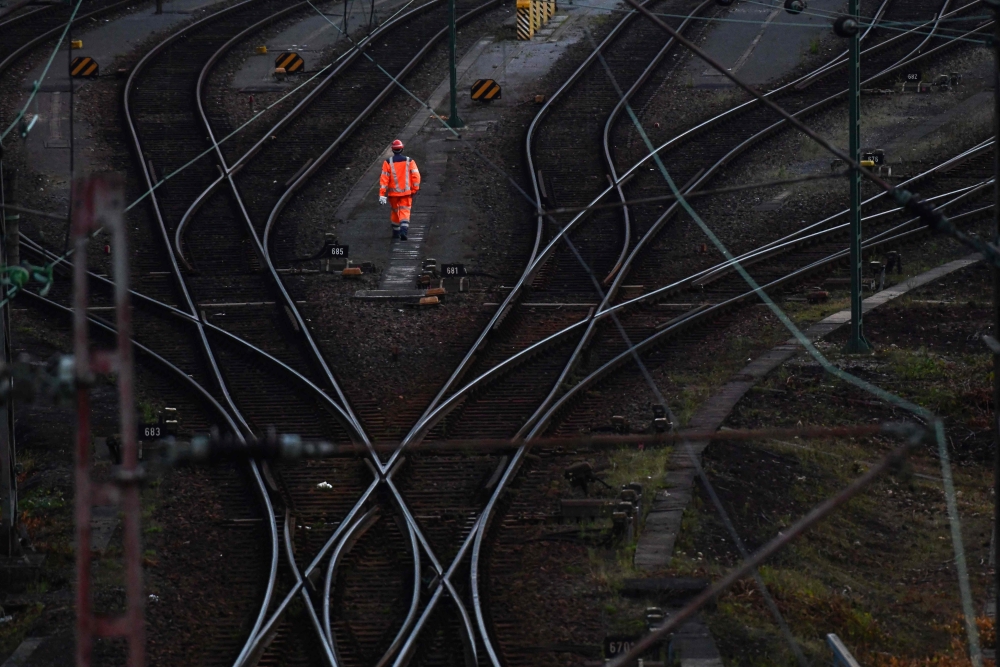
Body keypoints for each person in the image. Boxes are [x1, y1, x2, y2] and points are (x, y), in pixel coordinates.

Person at [378, 139, 420, 240]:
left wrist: (382, 194)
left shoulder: (387, 162)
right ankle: (404, 231)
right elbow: (416, 176)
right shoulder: (410, 161)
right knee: (405, 212)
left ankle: (396, 233)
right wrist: (414, 189)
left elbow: (384, 180)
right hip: (406, 193)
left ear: (392, 150)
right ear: (402, 149)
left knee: (395, 212)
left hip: (393, 195)